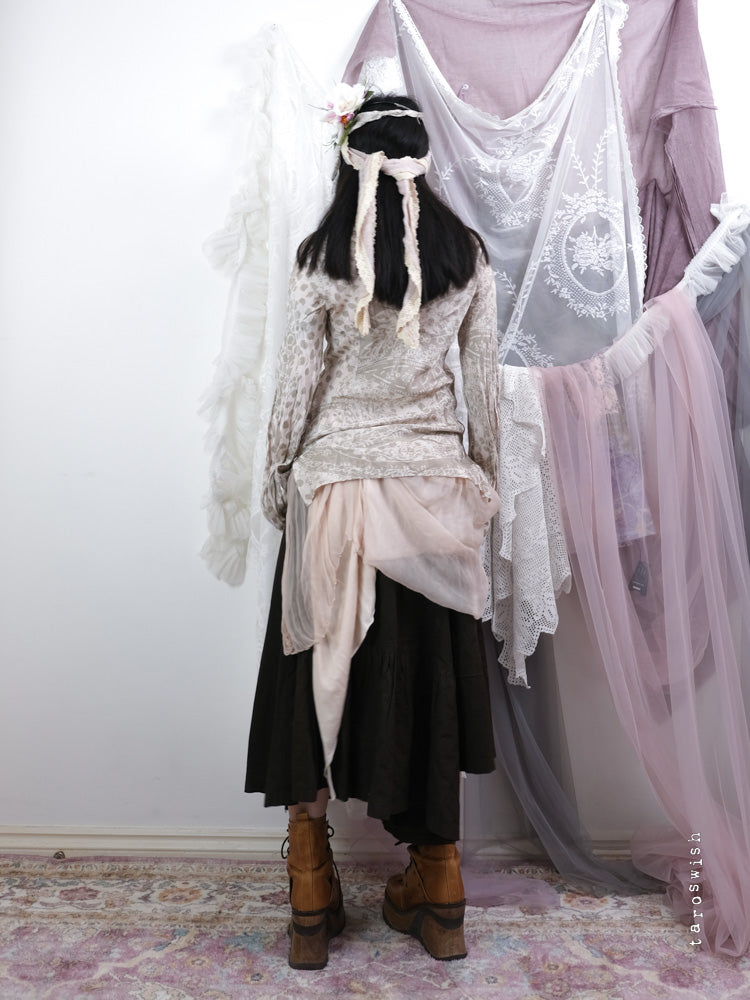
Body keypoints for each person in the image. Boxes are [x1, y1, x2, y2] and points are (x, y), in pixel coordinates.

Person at [245, 89, 501, 969]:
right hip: (433, 497)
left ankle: (311, 883)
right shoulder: (467, 256)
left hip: (336, 492)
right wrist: (485, 485)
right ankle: (439, 879)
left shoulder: (322, 258)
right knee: (428, 684)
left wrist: (281, 484)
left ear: (347, 161)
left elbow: (296, 388)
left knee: (307, 681)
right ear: (426, 168)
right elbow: (483, 389)